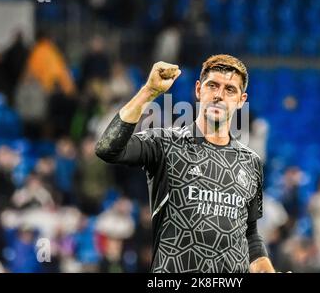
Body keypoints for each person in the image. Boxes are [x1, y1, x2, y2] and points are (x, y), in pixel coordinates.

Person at [95, 54, 276, 273]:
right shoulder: (163, 143)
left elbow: (251, 236)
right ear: (199, 90)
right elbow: (107, 148)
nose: (219, 95)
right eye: (213, 86)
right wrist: (148, 92)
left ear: (241, 100)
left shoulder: (251, 162)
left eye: (230, 90)